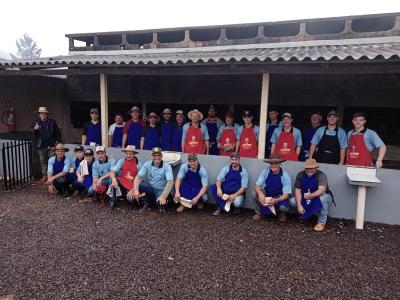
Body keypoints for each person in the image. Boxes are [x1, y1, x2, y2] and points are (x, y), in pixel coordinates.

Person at [294, 159, 333, 232]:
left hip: (322, 195)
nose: (309, 170)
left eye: (311, 168)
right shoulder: (300, 174)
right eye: (307, 168)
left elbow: (322, 190)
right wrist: (299, 205)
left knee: (322, 199)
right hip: (306, 195)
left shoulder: (321, 175)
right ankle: (304, 215)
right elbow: (297, 190)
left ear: (316, 168)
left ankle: (321, 222)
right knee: (293, 201)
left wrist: (311, 196)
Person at [132, 147, 174, 212]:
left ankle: (160, 201)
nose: (156, 157)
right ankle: (147, 204)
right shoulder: (147, 164)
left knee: (161, 205)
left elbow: (170, 182)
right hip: (151, 188)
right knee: (141, 186)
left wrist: (163, 196)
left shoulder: (166, 166)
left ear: (162, 156)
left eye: (158, 155)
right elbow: (138, 177)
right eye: (154, 155)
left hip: (161, 190)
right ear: (151, 156)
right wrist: (135, 190)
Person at [253, 153, 292, 222]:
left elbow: (287, 194)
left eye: (276, 163)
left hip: (280, 197)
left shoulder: (285, 175)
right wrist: (261, 194)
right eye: (272, 163)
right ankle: (259, 213)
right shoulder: (266, 171)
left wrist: (276, 200)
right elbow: (256, 186)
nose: (273, 165)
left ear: (280, 163)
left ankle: (281, 213)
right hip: (268, 194)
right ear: (269, 164)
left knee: (282, 207)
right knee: (255, 193)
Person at [31, 106, 61, 182]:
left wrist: (56, 144)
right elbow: (32, 132)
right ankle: (44, 175)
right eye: (41, 113)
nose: (43, 115)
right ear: (39, 114)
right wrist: (35, 129)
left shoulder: (52, 122)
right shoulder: (36, 122)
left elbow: (58, 133)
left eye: (44, 113)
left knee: (52, 161)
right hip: (41, 146)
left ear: (47, 114)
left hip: (51, 145)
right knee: (43, 161)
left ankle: (52, 175)